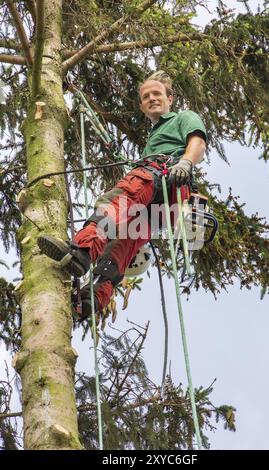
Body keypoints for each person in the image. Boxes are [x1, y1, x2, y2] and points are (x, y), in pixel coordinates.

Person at [38, 71, 207, 321]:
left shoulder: (183, 117)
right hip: (161, 208)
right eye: (146, 96)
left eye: (157, 94)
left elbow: (198, 142)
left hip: (165, 176)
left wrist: (185, 163)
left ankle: (83, 250)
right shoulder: (154, 136)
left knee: (119, 200)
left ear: (170, 98)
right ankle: (92, 298)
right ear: (142, 105)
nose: (152, 99)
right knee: (122, 243)